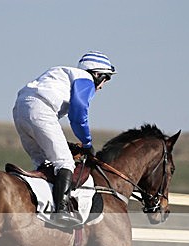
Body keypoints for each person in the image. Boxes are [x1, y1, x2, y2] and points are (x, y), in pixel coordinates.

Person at [13, 51, 116, 227]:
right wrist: (87, 142)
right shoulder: (85, 78)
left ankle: (39, 206)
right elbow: (78, 113)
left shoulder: (64, 73)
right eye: (106, 78)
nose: (103, 86)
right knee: (65, 162)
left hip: (20, 109)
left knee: (44, 164)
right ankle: (62, 211)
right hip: (40, 110)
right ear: (97, 74)